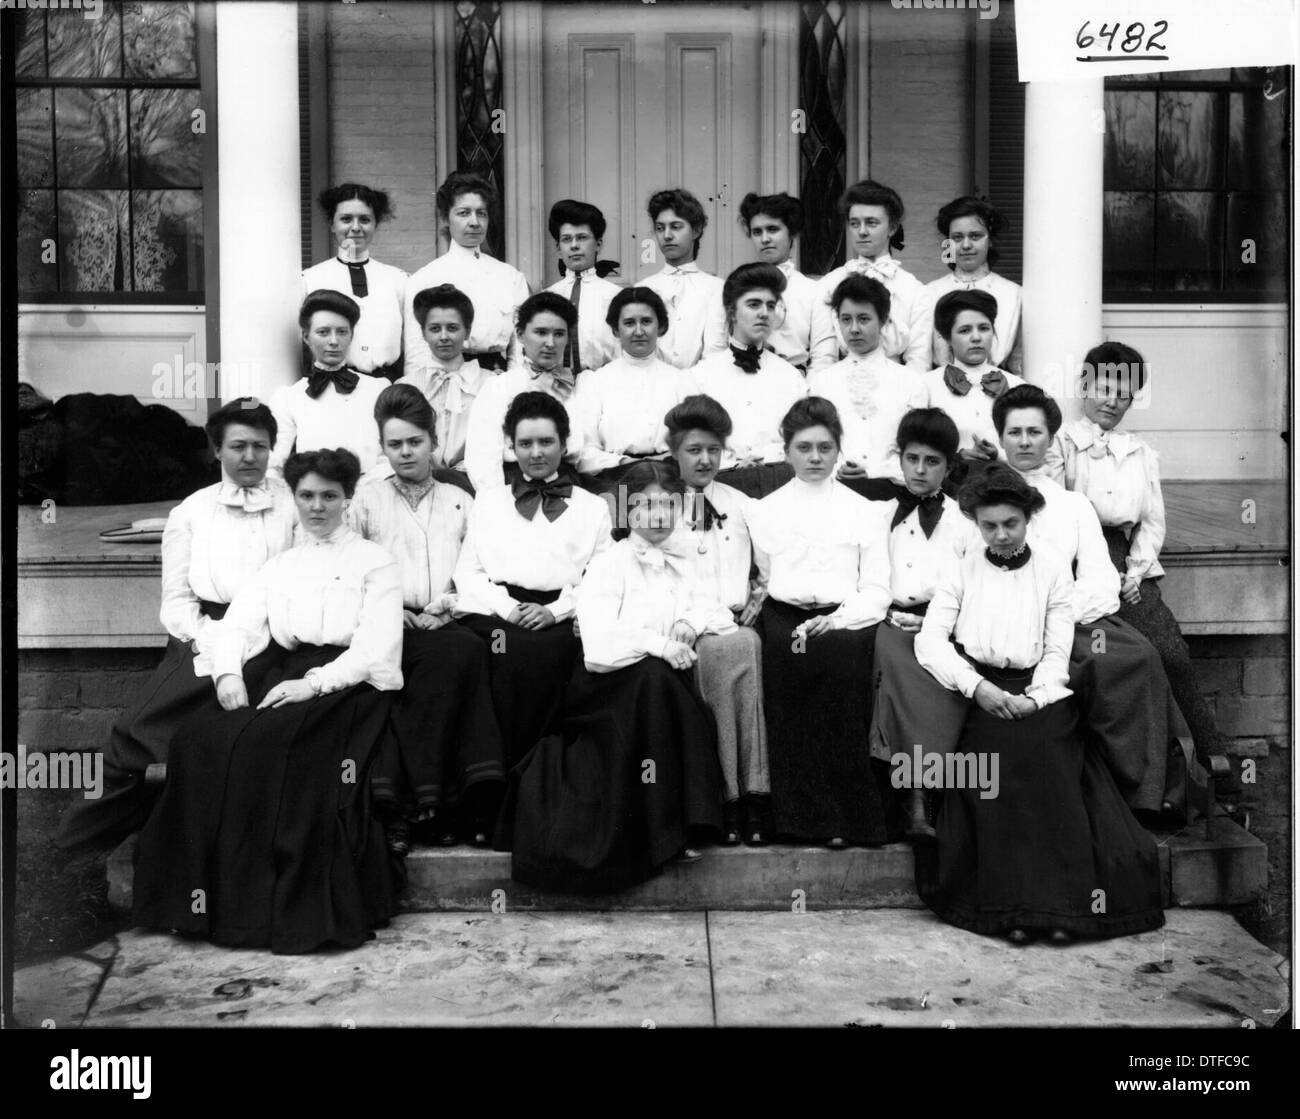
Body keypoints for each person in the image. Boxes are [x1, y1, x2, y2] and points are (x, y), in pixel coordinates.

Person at [133, 448, 404, 954]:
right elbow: (237, 624)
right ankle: (191, 905)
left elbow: (377, 648)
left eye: (329, 496)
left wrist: (315, 684)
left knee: (269, 745)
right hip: (286, 670)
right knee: (198, 739)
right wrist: (227, 675)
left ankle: (259, 913)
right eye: (307, 495)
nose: (317, 506)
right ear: (294, 498)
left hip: (348, 685)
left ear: (348, 499)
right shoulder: (281, 564)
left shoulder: (375, 562)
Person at [912, 464, 1164, 944]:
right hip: (982, 693)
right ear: (976, 525)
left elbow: (1057, 649)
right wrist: (977, 688)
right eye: (990, 526)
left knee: (1048, 760)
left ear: (1028, 520)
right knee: (996, 770)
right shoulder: (961, 571)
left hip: (1039, 693)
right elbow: (931, 642)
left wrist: (1037, 696)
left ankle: (1063, 910)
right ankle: (1012, 911)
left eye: (1011, 523)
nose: (1001, 535)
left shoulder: (1051, 572)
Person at [55, 400, 296, 856]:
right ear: (216, 451)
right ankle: (77, 843)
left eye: (260, 447)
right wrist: (212, 641)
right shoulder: (191, 512)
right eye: (238, 446)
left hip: (274, 635)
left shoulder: (292, 504)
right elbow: (178, 602)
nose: (250, 457)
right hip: (203, 632)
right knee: (139, 730)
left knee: (237, 733)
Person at [507, 461, 727, 892]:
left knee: (661, 684)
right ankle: (663, 833)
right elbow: (600, 646)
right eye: (645, 505)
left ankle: (685, 822)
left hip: (654, 684)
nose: (658, 515)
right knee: (655, 680)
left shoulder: (687, 557)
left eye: (668, 504)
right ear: (628, 511)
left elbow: (714, 606)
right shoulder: (611, 564)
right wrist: (660, 644)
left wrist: (689, 622)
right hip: (605, 687)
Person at [1055, 343, 1241, 802]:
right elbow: (1052, 513)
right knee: (1103, 660)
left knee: (1169, 653)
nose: (1112, 400)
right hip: (1073, 557)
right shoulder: (1060, 444)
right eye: (1103, 387)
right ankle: (1119, 776)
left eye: (1124, 392)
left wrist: (1135, 573)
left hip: (1125, 562)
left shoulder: (1140, 452)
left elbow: (1152, 521)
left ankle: (1212, 764)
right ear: (1083, 387)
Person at [993, 383, 1182, 818]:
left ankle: (1145, 789)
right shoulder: (982, 497)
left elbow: (1098, 575)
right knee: (1092, 663)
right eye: (1015, 432)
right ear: (1001, 436)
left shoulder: (1071, 504)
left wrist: (1060, 614)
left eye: (1035, 433)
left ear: (1049, 438)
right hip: (1004, 620)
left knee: (1138, 656)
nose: (1025, 442)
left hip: (1071, 616)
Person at [350, 385, 506, 851]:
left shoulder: (460, 500)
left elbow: (476, 566)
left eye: (414, 442)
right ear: (382, 447)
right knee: (447, 659)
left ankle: (441, 803)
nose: (405, 453)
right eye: (394, 444)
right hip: (385, 620)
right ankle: (428, 804)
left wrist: (447, 606)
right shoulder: (365, 500)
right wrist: (393, 611)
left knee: (467, 649)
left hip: (447, 617)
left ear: (433, 441)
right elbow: (348, 569)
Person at [749, 397, 892, 847]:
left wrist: (838, 620)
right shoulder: (763, 510)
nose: (815, 458)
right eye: (804, 447)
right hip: (785, 615)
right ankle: (798, 818)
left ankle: (848, 818)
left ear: (838, 450)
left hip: (846, 619)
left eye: (825, 448)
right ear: (786, 450)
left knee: (838, 667)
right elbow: (765, 577)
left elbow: (877, 590)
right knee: (789, 668)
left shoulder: (864, 511)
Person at [453, 392, 613, 778]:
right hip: (497, 614)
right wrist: (508, 609)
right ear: (511, 446)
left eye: (546, 442)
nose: (536, 452)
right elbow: (468, 573)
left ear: (564, 443)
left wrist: (556, 611)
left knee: (552, 655)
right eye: (525, 443)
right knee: (503, 651)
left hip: (562, 613)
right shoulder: (489, 503)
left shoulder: (593, 507)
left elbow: (604, 576)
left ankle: (541, 782)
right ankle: (494, 782)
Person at [666, 395, 771, 845]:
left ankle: (752, 795)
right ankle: (732, 797)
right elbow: (658, 577)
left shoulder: (743, 504)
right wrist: (691, 618)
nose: (705, 459)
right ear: (674, 453)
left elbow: (772, 564)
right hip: (680, 625)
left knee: (742, 644)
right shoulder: (658, 506)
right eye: (694, 450)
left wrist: (760, 596)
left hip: (732, 623)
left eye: (713, 449)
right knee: (724, 651)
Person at [866, 408, 969, 839]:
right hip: (889, 620)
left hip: (944, 625)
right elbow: (866, 578)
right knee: (892, 663)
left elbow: (971, 587)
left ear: (948, 467)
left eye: (932, 462)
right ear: (899, 458)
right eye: (912, 459)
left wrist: (937, 624)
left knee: (941, 674)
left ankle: (928, 797)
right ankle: (911, 801)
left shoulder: (964, 522)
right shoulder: (878, 514)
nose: (920, 470)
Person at [688, 263, 807, 498]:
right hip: (719, 484)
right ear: (732, 311)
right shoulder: (700, 377)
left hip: (782, 485)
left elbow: (801, 440)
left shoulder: (791, 377)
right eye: (753, 304)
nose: (764, 313)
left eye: (770, 306)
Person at [809, 273, 928, 496]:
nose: (854, 329)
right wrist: (838, 468)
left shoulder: (911, 382)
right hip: (835, 491)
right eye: (846, 319)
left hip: (895, 492)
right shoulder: (822, 383)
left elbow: (917, 446)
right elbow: (815, 441)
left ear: (883, 320)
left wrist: (876, 471)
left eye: (863, 319)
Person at [403, 171, 530, 377]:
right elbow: (416, 351)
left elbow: (519, 348)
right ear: (446, 218)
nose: (474, 222)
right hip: (444, 377)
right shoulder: (425, 278)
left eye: (481, 213)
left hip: (497, 378)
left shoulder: (510, 277)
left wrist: (514, 386)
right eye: (464, 213)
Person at [463, 292, 584, 491]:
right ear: (520, 334)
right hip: (515, 484)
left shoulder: (574, 387)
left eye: (559, 334)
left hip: (567, 481)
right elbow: (483, 458)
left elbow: (581, 451)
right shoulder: (499, 387)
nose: (550, 343)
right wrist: (495, 504)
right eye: (541, 332)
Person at [572, 286, 686, 488]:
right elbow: (585, 451)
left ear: (660, 326)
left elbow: (694, 442)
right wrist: (626, 462)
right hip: (614, 479)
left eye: (647, 321)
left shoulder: (681, 381)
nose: (639, 331)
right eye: (629, 323)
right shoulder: (595, 382)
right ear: (616, 330)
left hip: (670, 479)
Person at [269, 289, 389, 479]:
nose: (334, 341)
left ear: (351, 335)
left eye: (342, 332)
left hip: (371, 493)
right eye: (323, 332)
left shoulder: (377, 389)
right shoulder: (289, 397)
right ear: (306, 337)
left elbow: (388, 456)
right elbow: (276, 464)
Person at [816, 180, 931, 372]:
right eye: (854, 223)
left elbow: (919, 360)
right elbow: (823, 357)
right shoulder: (829, 284)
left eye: (871, 223)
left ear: (892, 228)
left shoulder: (914, 290)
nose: (862, 231)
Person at [301, 182, 407, 378]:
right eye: (346, 219)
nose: (356, 227)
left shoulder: (398, 280)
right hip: (330, 387)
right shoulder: (310, 279)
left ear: (375, 224)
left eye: (365, 220)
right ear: (332, 224)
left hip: (387, 388)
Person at [919, 288, 1023, 479]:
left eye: (984, 328)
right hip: (947, 489)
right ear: (947, 337)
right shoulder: (925, 386)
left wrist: (998, 456)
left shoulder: (1017, 387)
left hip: (1006, 487)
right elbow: (916, 448)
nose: (976, 337)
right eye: (965, 330)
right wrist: (957, 459)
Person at [730, 191, 837, 373]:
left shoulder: (813, 291)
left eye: (773, 229)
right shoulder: (738, 287)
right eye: (757, 232)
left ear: (792, 233)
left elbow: (824, 356)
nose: (765, 239)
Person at [397, 283, 489, 476]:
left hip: (473, 480)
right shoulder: (406, 386)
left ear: (467, 331)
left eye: (453, 328)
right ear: (423, 332)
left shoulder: (489, 384)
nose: (444, 336)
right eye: (435, 329)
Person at [924, 195, 1022, 375]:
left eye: (975, 236)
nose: (966, 245)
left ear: (990, 240)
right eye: (957, 237)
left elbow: (1019, 362)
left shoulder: (1014, 294)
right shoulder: (928, 293)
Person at [640, 188, 728, 368]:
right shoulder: (643, 288)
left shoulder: (717, 288)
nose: (667, 235)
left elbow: (715, 350)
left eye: (676, 226)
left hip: (699, 387)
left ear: (696, 231)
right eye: (660, 228)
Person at [544, 198, 620, 374]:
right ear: (558, 247)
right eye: (566, 239)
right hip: (554, 388)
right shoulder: (547, 297)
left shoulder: (615, 297)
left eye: (582, 238)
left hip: (603, 386)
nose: (574, 246)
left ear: (598, 244)